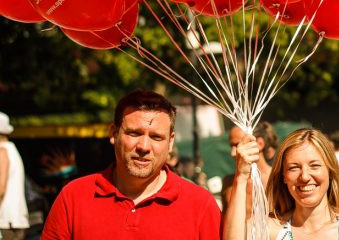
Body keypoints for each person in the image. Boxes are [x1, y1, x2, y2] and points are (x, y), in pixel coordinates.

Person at [42, 89, 221, 239]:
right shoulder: (73, 197)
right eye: (134, 134)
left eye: (156, 137)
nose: (143, 146)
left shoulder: (200, 205)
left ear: (170, 142)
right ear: (114, 133)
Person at [223, 128, 339, 240]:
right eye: (294, 168)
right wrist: (241, 176)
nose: (304, 176)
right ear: (283, 177)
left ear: (330, 171)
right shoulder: (269, 230)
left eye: (314, 165)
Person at [221, 123, 272, 214]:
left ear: (260, 144)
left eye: (238, 145)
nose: (233, 153)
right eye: (231, 146)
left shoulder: (277, 179)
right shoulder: (229, 183)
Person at [0, 112, 29, 240]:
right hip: (16, 219)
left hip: (5, 221)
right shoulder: (12, 149)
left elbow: (0, 188)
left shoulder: (1, 151)